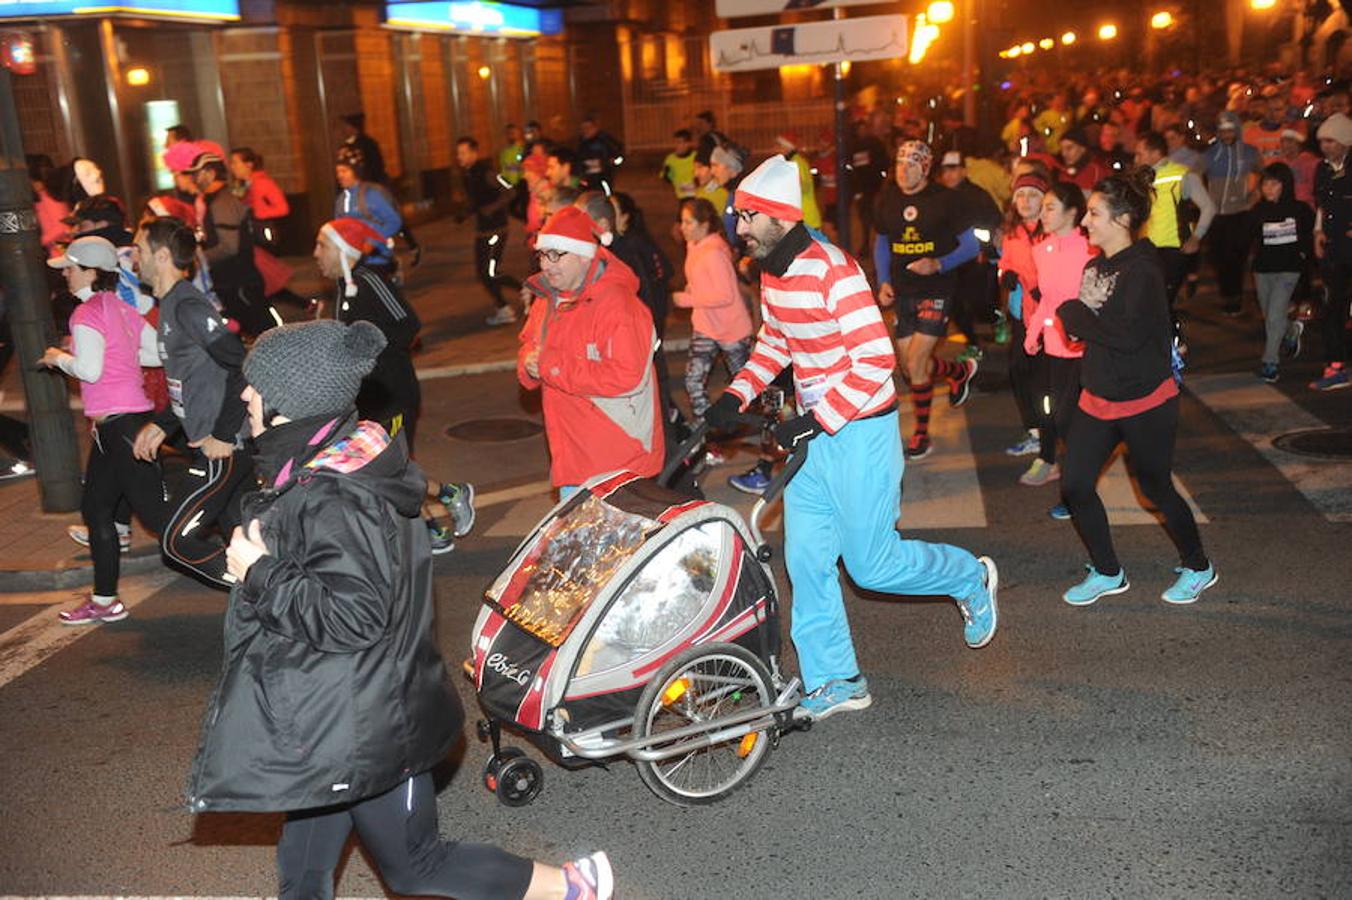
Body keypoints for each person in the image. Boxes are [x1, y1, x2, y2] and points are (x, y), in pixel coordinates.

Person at [187, 318, 613, 900]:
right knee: (305, 871)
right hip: (328, 718)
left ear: (289, 400)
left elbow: (354, 616)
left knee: (416, 866)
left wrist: (258, 572)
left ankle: (573, 889)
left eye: (255, 384)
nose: (244, 395)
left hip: (373, 721)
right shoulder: (319, 471)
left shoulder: (336, 495)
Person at [704, 155, 999, 722]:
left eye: (747, 216)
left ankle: (969, 575)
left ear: (781, 217)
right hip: (815, 437)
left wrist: (814, 420)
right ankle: (837, 679)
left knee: (873, 567)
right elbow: (777, 343)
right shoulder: (773, 270)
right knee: (808, 561)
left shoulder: (834, 271)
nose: (738, 227)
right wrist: (735, 395)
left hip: (859, 432)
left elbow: (873, 361)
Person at [1057, 169, 1217, 607]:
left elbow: (1123, 334)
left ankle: (1199, 564)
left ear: (1123, 220)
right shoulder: (1095, 266)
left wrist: (1073, 314)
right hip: (1098, 396)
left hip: (1145, 400)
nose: (1085, 222)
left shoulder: (1144, 269)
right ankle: (1108, 572)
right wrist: (1078, 323)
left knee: (1155, 488)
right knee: (1074, 485)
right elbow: (1087, 331)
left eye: (1093, 213)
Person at [314, 218, 475, 554]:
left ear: (343, 252)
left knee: (392, 465)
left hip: (392, 393)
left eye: (322, 246)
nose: (316, 254)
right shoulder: (344, 287)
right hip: (367, 398)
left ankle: (445, 506)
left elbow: (408, 323)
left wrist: (370, 357)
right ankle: (438, 516)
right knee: (386, 466)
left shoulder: (370, 280)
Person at [39, 237, 167, 625]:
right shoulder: (121, 308)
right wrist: (120, 356)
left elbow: (90, 371)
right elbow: (154, 354)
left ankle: (245, 575)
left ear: (91, 271)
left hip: (121, 427)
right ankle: (105, 600)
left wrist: (58, 358)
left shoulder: (85, 315)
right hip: (119, 427)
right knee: (96, 510)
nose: (65, 273)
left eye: (71, 267)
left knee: (163, 523)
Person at [132, 218, 255, 589]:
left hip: (223, 448)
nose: (133, 258)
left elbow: (242, 365)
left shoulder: (187, 305)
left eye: (139, 249)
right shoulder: (170, 304)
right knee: (245, 541)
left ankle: (268, 593)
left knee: (176, 540)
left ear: (163, 255)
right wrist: (163, 423)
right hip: (216, 444)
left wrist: (222, 432)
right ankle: (272, 611)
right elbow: (191, 382)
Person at [517, 207, 664, 496]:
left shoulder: (620, 306)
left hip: (619, 462)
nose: (547, 265)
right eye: (543, 254)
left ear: (585, 256)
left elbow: (627, 376)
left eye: (558, 254)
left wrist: (550, 366)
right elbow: (528, 344)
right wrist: (528, 365)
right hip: (571, 458)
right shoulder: (547, 299)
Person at [874, 140, 981, 460]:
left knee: (917, 364)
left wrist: (938, 263)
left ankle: (921, 434)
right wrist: (882, 281)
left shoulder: (945, 200)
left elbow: (971, 245)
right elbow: (881, 242)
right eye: (899, 164)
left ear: (925, 168)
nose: (904, 170)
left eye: (911, 164)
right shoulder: (887, 199)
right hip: (903, 291)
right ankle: (957, 372)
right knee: (909, 368)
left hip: (937, 290)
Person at [1024, 181, 1093, 507]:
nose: (1043, 213)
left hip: (1085, 348)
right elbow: (1047, 301)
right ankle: (1075, 483)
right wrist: (1032, 332)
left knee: (1070, 418)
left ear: (1072, 212)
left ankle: (1076, 487)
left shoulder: (1090, 248)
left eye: (1051, 207)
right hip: (1054, 345)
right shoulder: (1041, 249)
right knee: (1059, 415)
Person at [673, 197, 752, 421]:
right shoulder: (694, 245)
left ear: (704, 225)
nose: (682, 227)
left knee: (745, 387)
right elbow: (702, 279)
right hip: (706, 326)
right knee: (693, 380)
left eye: (688, 222)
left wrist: (688, 299)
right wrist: (693, 287)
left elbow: (725, 295)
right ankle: (705, 432)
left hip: (731, 330)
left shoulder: (714, 253)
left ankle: (768, 423)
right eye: (682, 221)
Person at [186, 152, 276, 336]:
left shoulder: (223, 202)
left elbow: (229, 247)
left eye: (197, 173)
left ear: (210, 173)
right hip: (232, 283)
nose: (193, 178)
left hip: (239, 283)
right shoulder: (216, 201)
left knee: (263, 334)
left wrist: (198, 259)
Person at [1246, 162, 1314, 384]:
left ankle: (1270, 363)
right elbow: (1249, 240)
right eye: (1265, 183)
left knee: (1275, 314)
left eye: (1274, 184)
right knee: (1270, 316)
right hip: (1263, 270)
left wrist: (1308, 274)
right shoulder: (1258, 211)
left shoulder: (1300, 210)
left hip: (1289, 270)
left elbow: (1309, 242)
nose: (1268, 188)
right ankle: (1291, 331)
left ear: (1285, 185)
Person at [998, 171, 1049, 462]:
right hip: (1021, 315)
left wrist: (1049, 288)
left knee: (1045, 378)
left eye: (1032, 195)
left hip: (1048, 317)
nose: (1025, 200)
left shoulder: (1052, 230)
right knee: (1019, 371)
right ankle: (1034, 431)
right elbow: (1005, 263)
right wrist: (1006, 275)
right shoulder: (1012, 233)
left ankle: (1050, 432)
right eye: (1020, 195)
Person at [1134, 131, 1215, 311]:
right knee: (1148, 302)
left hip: (1174, 247)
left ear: (1155, 153)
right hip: (1146, 247)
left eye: (1140, 154)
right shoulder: (1140, 177)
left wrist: (1196, 238)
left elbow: (1208, 207)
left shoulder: (1183, 175)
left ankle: (1168, 336)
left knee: (1162, 301)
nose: (1136, 159)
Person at [1202, 111, 1261, 317]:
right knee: (1219, 258)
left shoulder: (1250, 153)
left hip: (1240, 214)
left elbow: (1264, 175)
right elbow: (1193, 177)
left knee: (1237, 257)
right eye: (1222, 131)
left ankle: (1235, 298)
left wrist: (1254, 197)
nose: (1226, 135)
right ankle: (1227, 294)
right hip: (1217, 215)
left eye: (1230, 130)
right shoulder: (1209, 155)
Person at [456, 136, 521, 326]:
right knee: (483, 273)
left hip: (496, 229)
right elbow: (477, 201)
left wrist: (492, 209)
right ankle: (504, 307)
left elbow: (510, 191)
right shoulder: (467, 175)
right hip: (482, 231)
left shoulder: (487, 172)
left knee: (489, 273)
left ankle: (524, 294)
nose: (459, 157)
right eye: (458, 153)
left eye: (463, 152)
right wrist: (465, 213)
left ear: (475, 153)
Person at [1309, 112, 1352, 391]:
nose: (1325, 146)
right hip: (1333, 246)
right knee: (1331, 304)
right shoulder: (1322, 169)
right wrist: (1317, 232)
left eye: (1331, 140)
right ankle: (1336, 364)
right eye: (1322, 141)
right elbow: (1322, 205)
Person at [334, 147, 401, 270]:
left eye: (344, 171)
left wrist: (372, 242)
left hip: (377, 261)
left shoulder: (371, 195)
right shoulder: (341, 200)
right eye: (338, 172)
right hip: (352, 262)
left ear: (356, 172)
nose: (340, 176)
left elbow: (394, 221)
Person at [775, 131, 822, 229]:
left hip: (805, 219)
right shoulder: (799, 162)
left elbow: (802, 187)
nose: (776, 148)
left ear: (787, 147)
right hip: (806, 218)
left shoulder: (794, 164)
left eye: (779, 145)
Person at [575, 116, 624, 193]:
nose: (586, 130)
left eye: (589, 127)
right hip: (588, 175)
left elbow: (618, 153)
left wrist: (613, 162)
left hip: (603, 174)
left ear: (595, 128)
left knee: (606, 193)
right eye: (584, 128)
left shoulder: (605, 139)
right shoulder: (580, 142)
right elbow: (577, 157)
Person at [659, 129, 698, 208]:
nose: (676, 145)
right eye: (675, 142)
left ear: (687, 144)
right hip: (683, 196)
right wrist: (667, 175)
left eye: (679, 142)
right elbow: (666, 178)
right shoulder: (671, 159)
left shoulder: (696, 156)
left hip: (697, 195)